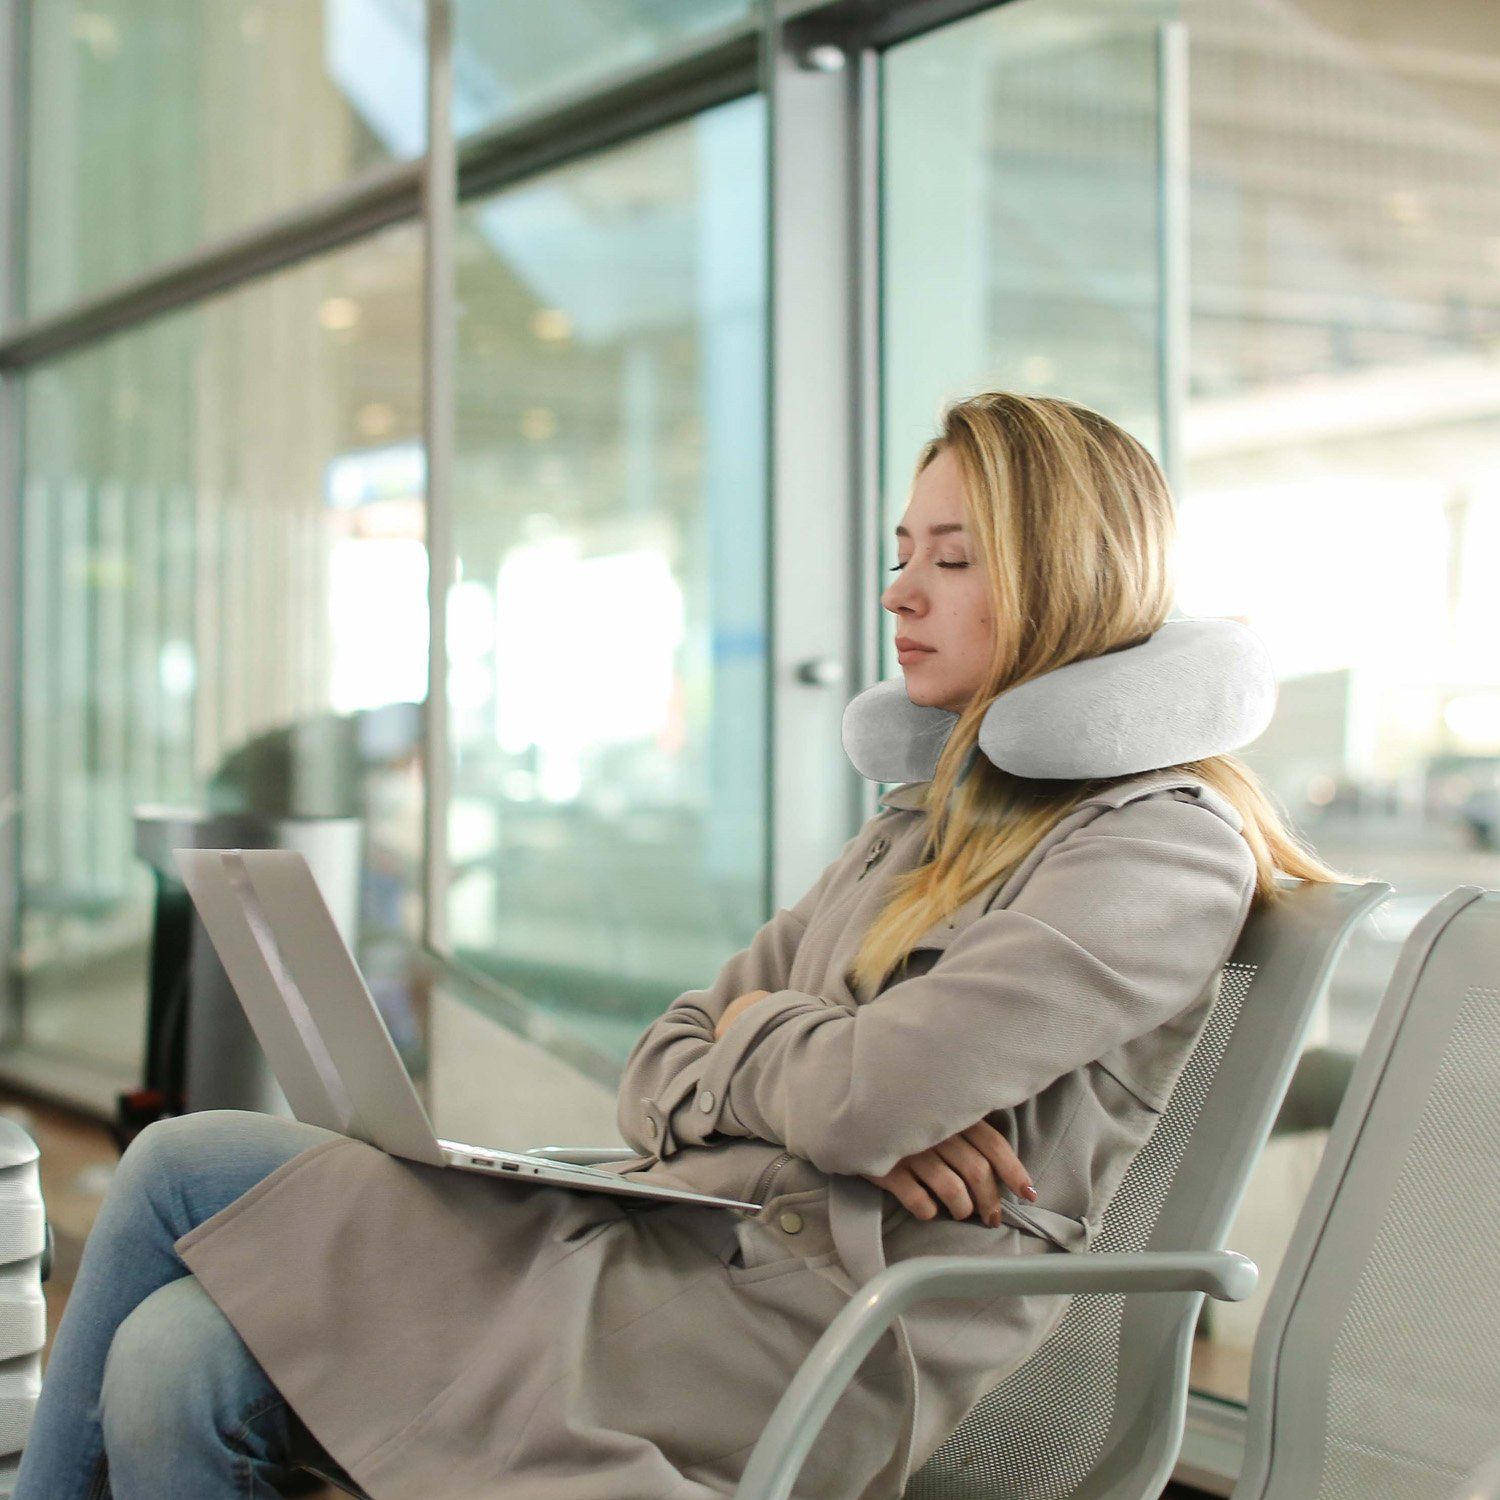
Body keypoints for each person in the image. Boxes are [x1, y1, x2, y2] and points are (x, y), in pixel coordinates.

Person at [15, 392, 1347, 1500]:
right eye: (902, 548)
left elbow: (861, 1095)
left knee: (180, 1325)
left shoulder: (1157, 848)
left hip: (798, 1338)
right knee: (177, 1254)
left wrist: (794, 1057)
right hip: (675, 1251)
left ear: (1066, 576)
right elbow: (660, 1065)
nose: (898, 590)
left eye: (952, 557)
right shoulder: (916, 826)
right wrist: (819, 1077)